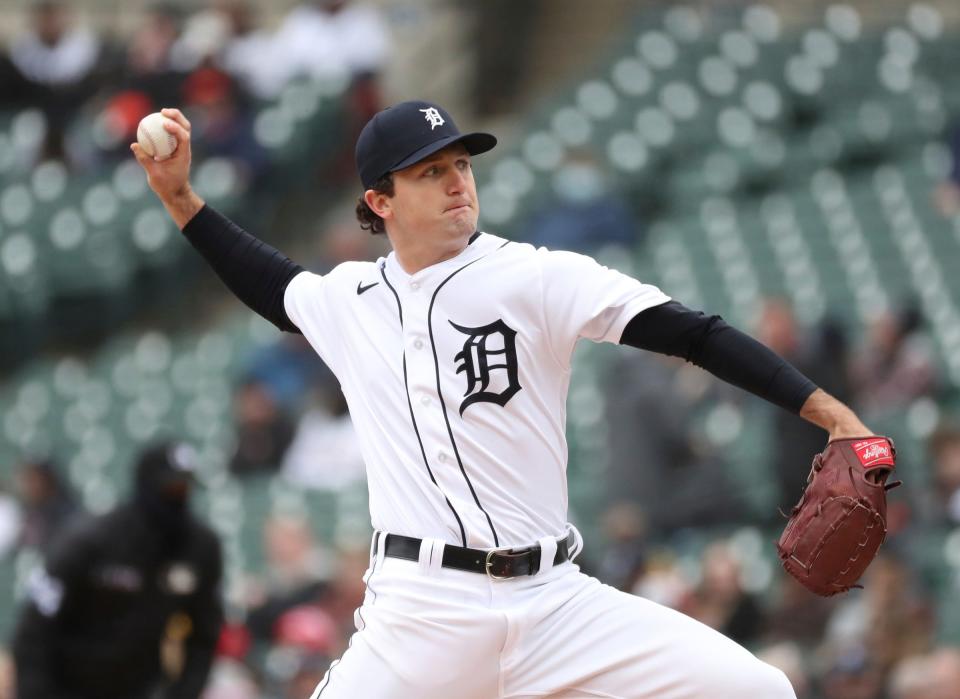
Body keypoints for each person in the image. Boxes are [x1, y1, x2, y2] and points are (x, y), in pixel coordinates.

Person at [132, 99, 882, 698]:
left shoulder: (535, 276)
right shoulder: (349, 299)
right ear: (379, 199)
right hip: (422, 613)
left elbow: (696, 333)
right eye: (431, 172)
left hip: (556, 602)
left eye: (462, 163)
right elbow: (267, 281)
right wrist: (182, 200)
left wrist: (835, 415)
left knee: (758, 689)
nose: (459, 180)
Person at [12, 441, 223, 699]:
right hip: (66, 685)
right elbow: (35, 626)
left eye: (183, 488)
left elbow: (204, 634)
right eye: (170, 487)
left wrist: (183, 693)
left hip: (137, 688)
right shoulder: (93, 540)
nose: (177, 497)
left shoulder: (198, 548)